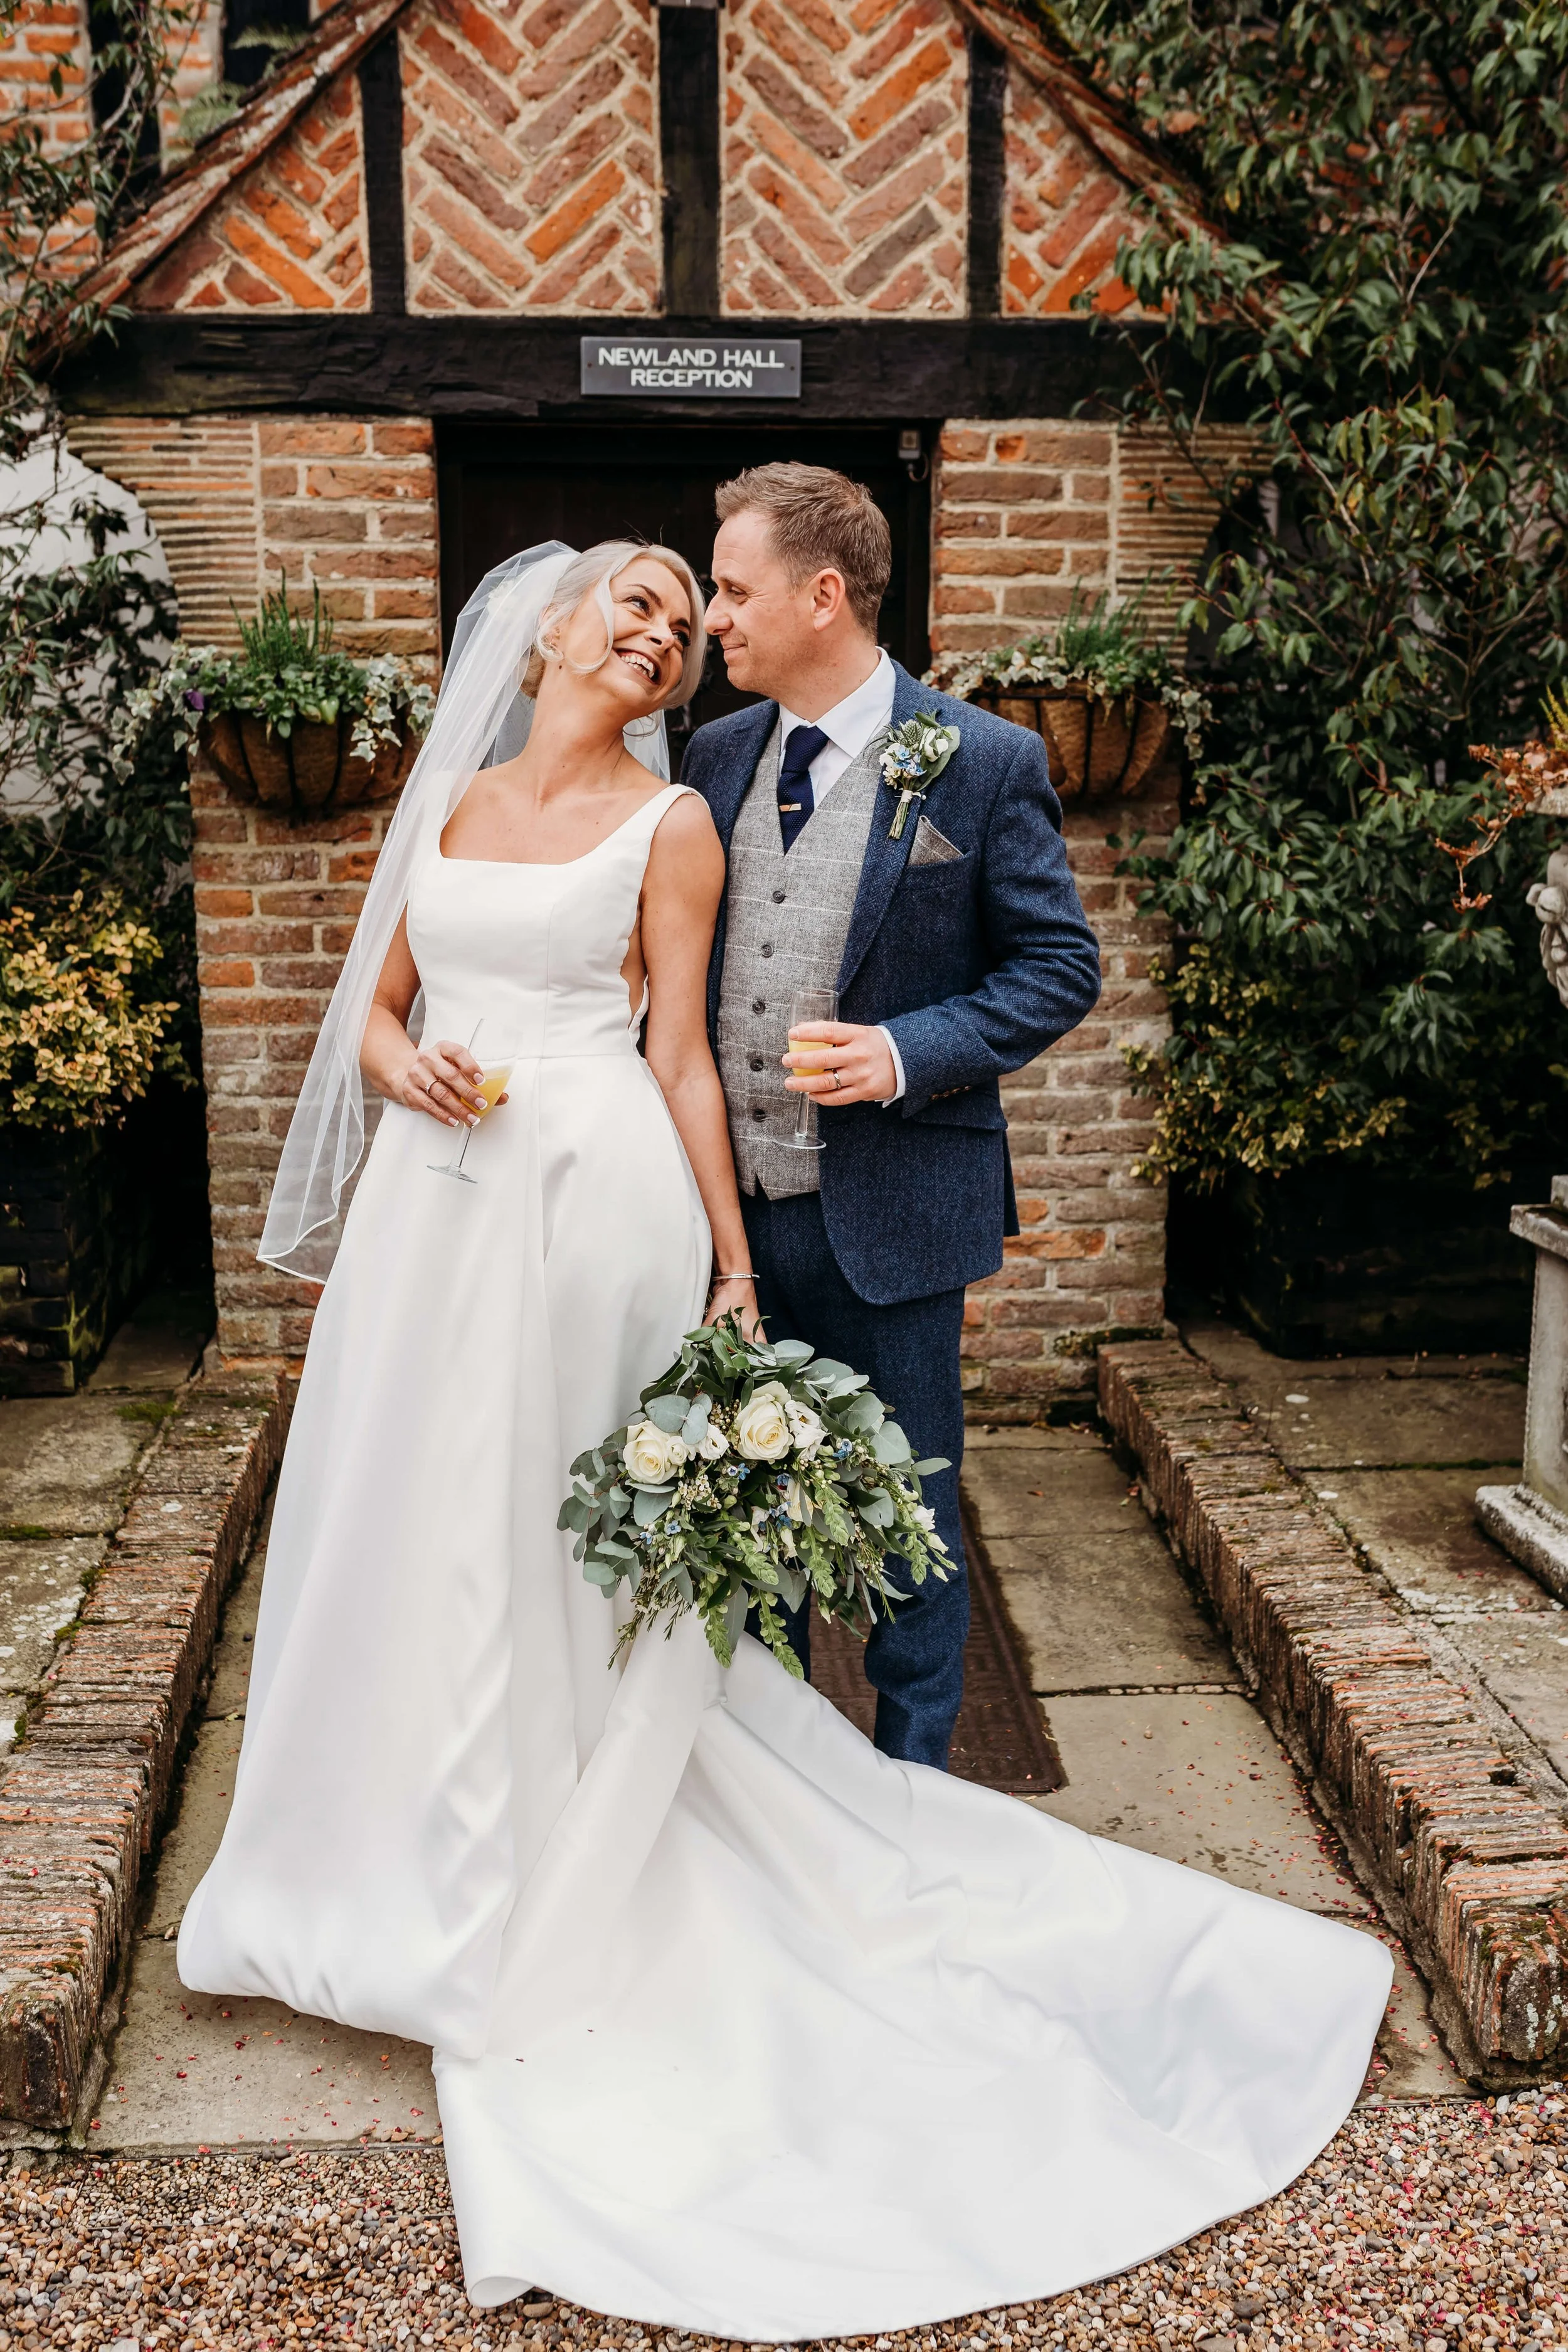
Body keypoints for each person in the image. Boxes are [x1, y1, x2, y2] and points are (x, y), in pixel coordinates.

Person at [179, 534, 1392, 2346]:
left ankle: (811, 1800)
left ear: (814, 590)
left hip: (601, 1202)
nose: (681, 629)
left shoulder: (706, 812)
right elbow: (383, 993)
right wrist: (388, 1064)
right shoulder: (471, 789)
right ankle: (382, 1845)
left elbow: (681, 1051)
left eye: (704, 603)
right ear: (552, 625)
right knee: (404, 1519)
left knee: (682, 1530)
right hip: (436, 1211)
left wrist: (728, 1261)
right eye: (652, 603)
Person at [684, 463, 1103, 1766]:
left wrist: (905, 1050)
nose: (710, 615)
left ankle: (916, 1801)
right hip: (723, 1226)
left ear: (822, 596)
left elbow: (1056, 968)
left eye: (731, 586)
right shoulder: (710, 755)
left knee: (906, 1517)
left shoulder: (980, 761)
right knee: (748, 1524)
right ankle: (770, 1794)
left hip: (894, 1221)